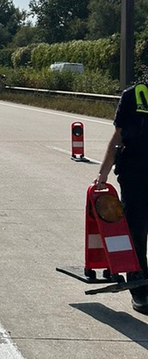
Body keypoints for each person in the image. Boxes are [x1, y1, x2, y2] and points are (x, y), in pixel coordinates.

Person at [95, 81, 148, 314]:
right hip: (135, 173)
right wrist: (103, 174)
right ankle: (140, 288)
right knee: (137, 230)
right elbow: (118, 136)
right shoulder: (135, 95)